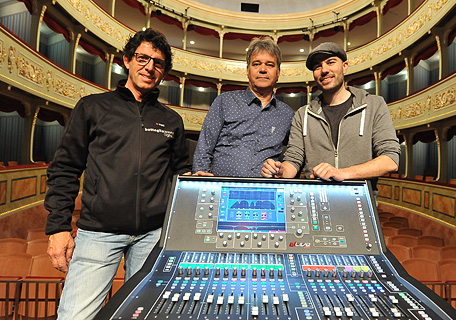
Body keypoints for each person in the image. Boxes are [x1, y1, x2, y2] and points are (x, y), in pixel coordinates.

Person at [44, 28, 190, 320]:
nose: (149, 67)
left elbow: (181, 173)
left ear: (163, 72)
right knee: (75, 316)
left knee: (148, 316)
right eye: (143, 58)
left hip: (153, 236)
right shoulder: (92, 108)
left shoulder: (171, 120)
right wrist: (58, 228)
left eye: (158, 63)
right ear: (127, 60)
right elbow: (65, 168)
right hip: (98, 233)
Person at [262, 42, 400, 192]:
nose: (324, 70)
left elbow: (390, 160)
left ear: (345, 66)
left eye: (330, 62)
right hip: (315, 201)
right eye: (317, 67)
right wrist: (280, 171)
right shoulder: (303, 114)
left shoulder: (374, 105)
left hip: (360, 202)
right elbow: (294, 160)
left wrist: (342, 173)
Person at [192, 37, 294, 177]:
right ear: (247, 70)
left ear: (278, 73)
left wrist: (282, 170)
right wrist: (200, 183)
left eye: (270, 65)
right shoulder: (224, 101)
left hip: (266, 193)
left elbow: (295, 155)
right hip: (224, 189)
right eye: (256, 64)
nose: (263, 69)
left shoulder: (287, 114)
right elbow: (204, 147)